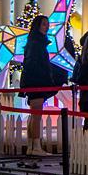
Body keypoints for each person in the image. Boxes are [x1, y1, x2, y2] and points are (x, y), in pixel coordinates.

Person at [20, 15, 65, 155]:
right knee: (36, 115)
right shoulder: (37, 44)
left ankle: (31, 146)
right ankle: (36, 146)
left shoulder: (34, 42)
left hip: (34, 82)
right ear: (38, 26)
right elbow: (35, 64)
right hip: (37, 83)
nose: (46, 26)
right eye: (44, 24)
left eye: (47, 24)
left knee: (34, 115)